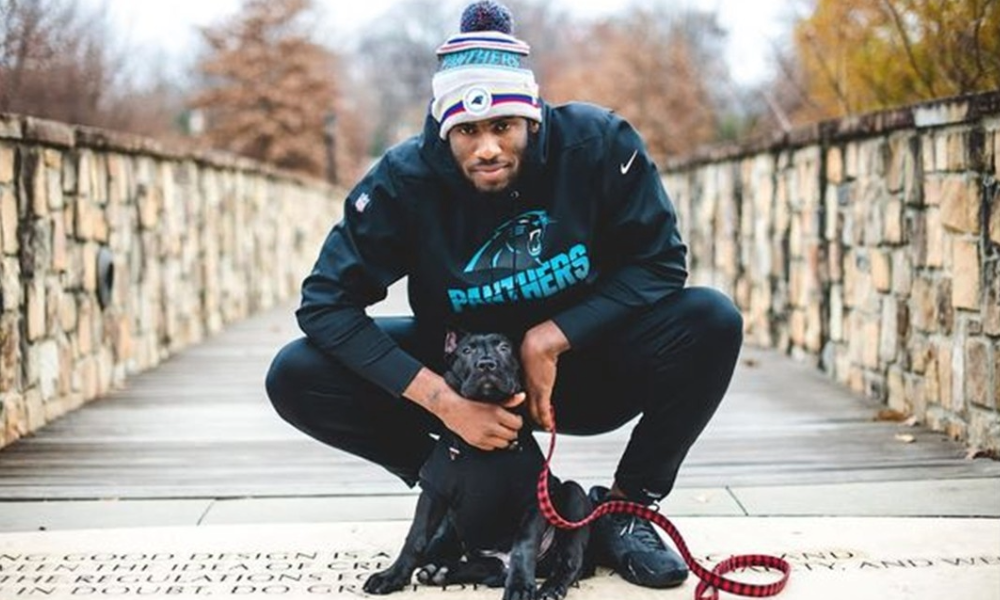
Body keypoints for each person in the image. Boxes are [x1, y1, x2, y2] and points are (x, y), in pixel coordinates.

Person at [266, 0, 742, 590]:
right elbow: (324, 304)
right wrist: (443, 401)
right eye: (468, 131)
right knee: (296, 372)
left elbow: (661, 261)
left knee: (711, 320)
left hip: (580, 372)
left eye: (503, 127)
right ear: (446, 133)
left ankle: (626, 510)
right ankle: (458, 493)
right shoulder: (403, 181)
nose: (487, 147)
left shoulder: (598, 145)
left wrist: (551, 337)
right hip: (462, 375)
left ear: (532, 120)